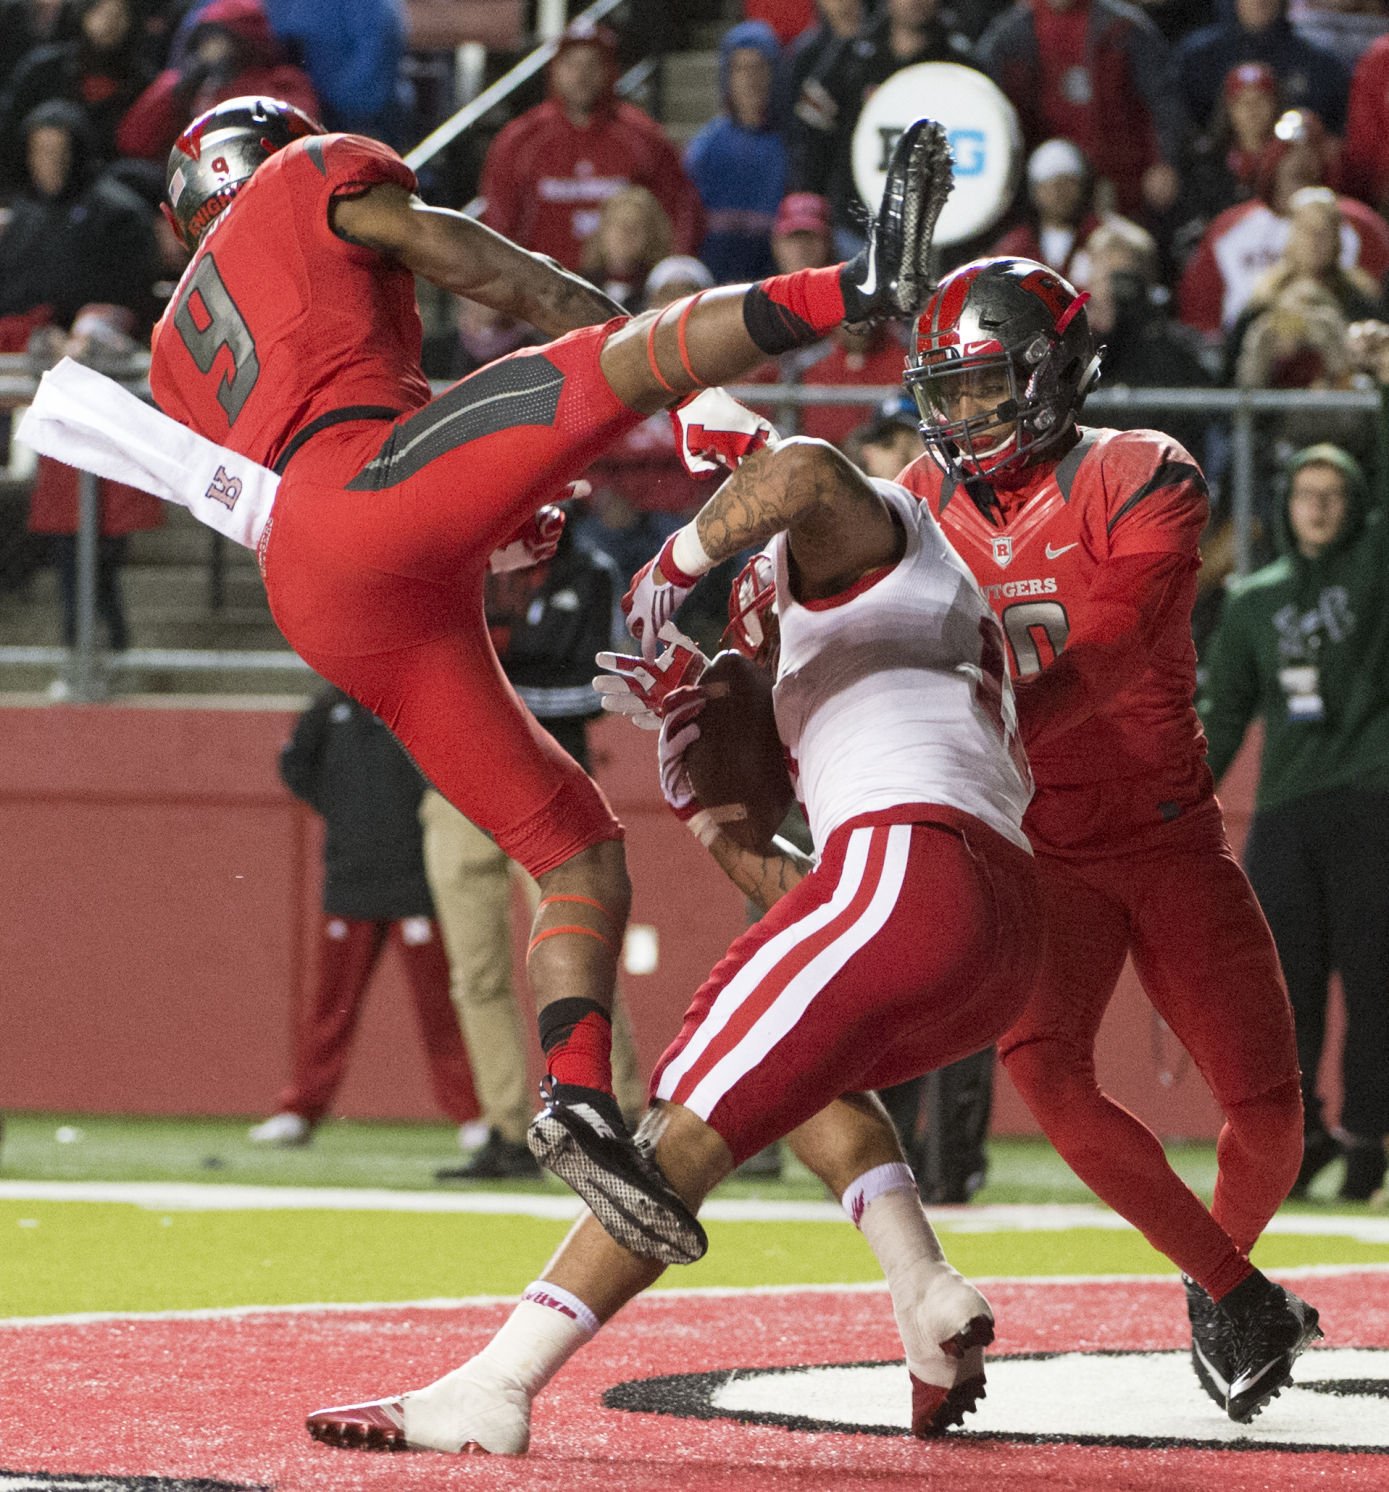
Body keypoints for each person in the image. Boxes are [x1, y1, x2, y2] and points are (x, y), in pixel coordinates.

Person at [137, 96, 953, 1265]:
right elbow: (485, 269)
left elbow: (295, 476)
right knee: (610, 357)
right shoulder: (311, 176)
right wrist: (644, 359)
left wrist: (489, 515)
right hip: (374, 490)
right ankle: (860, 284)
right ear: (264, 165)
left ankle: (576, 1095)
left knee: (573, 844)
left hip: (316, 586)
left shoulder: (176, 351)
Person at [305, 403, 1044, 1455]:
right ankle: (925, 1292)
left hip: (910, 865)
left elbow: (810, 476)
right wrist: (705, 808)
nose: (750, 640)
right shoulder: (869, 667)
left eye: (754, 615)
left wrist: (672, 561)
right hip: (992, 932)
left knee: (680, 1122)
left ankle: (498, 1382)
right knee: (799, 1063)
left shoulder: (879, 531)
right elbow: (798, 886)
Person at [897, 254, 1322, 1423]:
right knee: (1045, 1069)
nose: (960, 416)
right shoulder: (914, 505)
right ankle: (1239, 1293)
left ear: (1051, 377)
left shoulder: (1142, 471)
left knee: (1273, 1119)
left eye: (985, 389)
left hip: (1165, 834)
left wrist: (987, 728)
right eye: (948, 391)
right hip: (1036, 853)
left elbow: (1114, 644)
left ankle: (1211, 1275)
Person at [1198, 432, 1389, 1203]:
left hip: (1370, 801)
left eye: (1333, 494)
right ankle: (1302, 1136)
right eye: (1305, 493)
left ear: (1355, 505)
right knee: (1284, 989)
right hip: (1283, 810)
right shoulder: (1251, 600)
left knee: (1373, 984)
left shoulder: (1373, 573)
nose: (1317, 507)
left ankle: (1368, 1137)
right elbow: (1223, 713)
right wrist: (1168, 806)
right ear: (1283, 504)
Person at [425, 525, 646, 1182]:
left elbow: (596, 688)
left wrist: (491, 701)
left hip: (550, 787)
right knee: (475, 973)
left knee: (581, 956)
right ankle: (505, 1127)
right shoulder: (460, 560)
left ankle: (623, 1114)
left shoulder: (589, 570)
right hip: (457, 790)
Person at [248, 685, 482, 1147]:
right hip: (349, 878)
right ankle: (300, 1110)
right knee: (331, 1009)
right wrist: (342, 811)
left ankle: (473, 1116)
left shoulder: (416, 705)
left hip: (415, 879)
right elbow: (295, 766)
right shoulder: (327, 706)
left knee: (440, 1009)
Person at [478, 21, 703, 274]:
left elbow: (680, 215)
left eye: (592, 63)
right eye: (571, 63)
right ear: (554, 70)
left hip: (626, 298)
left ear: (610, 70)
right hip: (541, 297)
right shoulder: (520, 140)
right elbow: (497, 227)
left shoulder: (644, 138)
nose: (581, 74)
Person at [976, 0, 1183, 219]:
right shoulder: (1009, 35)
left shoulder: (1122, 27)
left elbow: (1164, 100)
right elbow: (987, 107)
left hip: (1118, 178)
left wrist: (1166, 162)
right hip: (1040, 181)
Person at [115, 0, 320, 162]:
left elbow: (298, 137)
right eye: (205, 39)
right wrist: (178, 89)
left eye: (219, 39)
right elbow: (133, 143)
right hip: (190, 181)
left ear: (245, 42)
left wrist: (234, 87)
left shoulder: (282, 81)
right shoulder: (186, 85)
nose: (210, 49)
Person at [684, 20, 787, 285]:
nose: (750, 78)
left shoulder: (793, 142)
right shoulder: (706, 146)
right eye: (740, 68)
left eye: (759, 67)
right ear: (727, 76)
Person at [989, 137, 1102, 286]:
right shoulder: (1014, 248)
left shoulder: (1101, 240)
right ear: (1035, 191)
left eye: (1068, 183)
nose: (1059, 193)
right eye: (1050, 185)